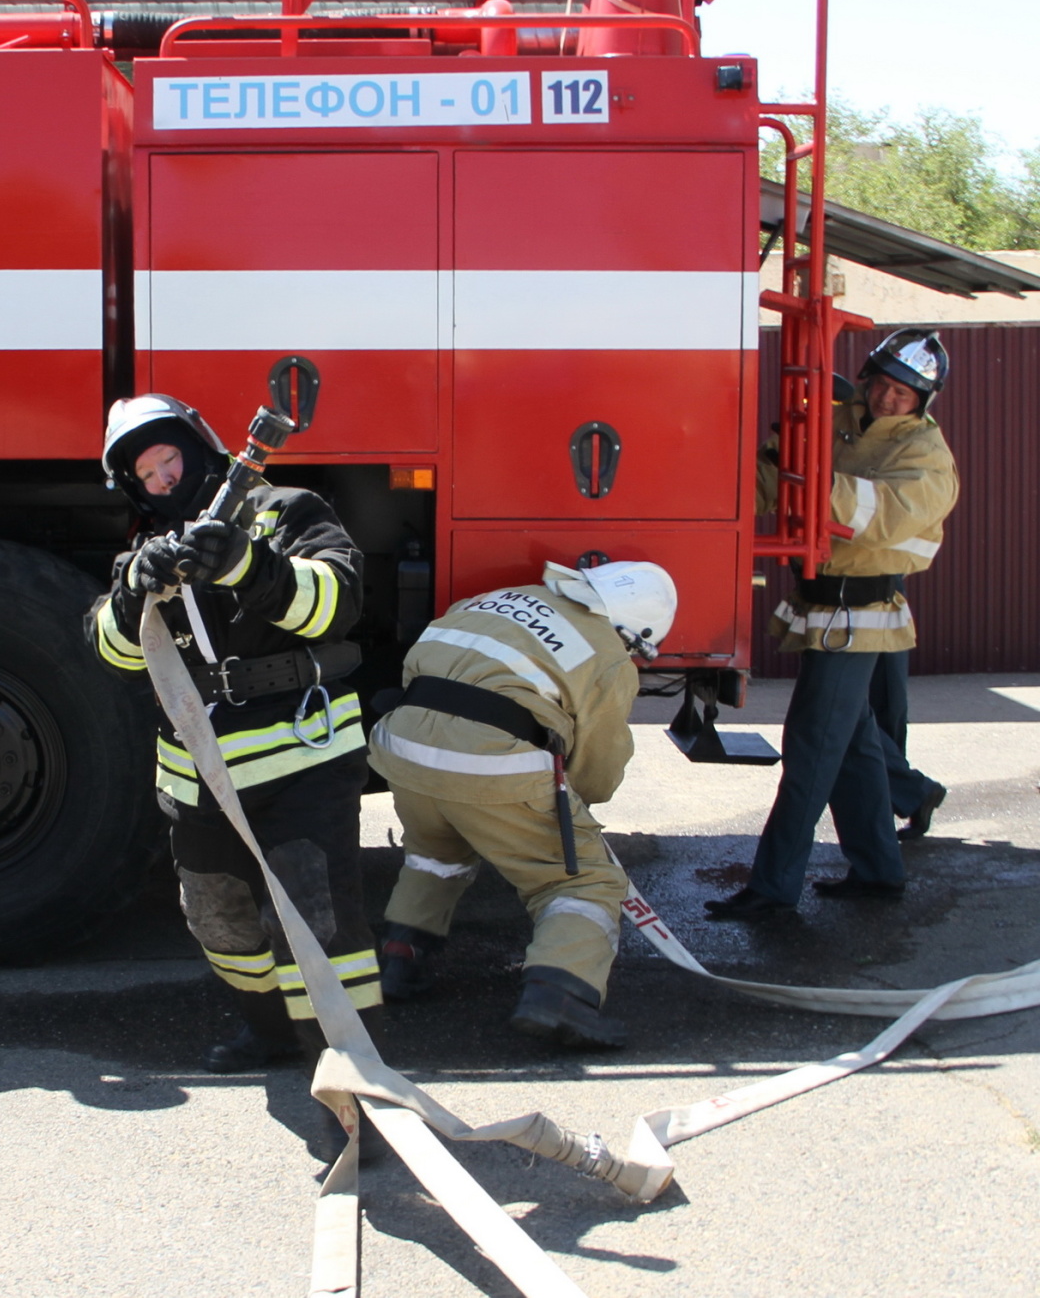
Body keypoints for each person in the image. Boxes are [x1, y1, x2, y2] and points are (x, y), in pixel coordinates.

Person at [86, 394, 381, 1102]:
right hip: (200, 778)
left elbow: (338, 599)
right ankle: (269, 1028)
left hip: (300, 757)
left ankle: (353, 1081)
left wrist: (252, 566)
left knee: (318, 926)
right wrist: (133, 591)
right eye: (146, 472)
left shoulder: (286, 509)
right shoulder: (146, 553)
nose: (162, 478)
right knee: (216, 916)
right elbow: (110, 649)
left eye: (169, 458)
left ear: (199, 447)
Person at [370, 560, 677, 1050]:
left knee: (436, 852)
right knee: (582, 880)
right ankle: (560, 995)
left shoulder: (498, 598)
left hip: (401, 743)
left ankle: (398, 959)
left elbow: (417, 663)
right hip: (489, 759)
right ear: (631, 630)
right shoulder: (606, 651)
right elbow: (598, 769)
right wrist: (565, 808)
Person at [707, 329, 958, 922]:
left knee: (812, 747)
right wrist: (766, 461)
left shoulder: (926, 454)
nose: (888, 399)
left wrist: (807, 473)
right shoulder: (834, 420)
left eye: (905, 393)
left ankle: (773, 887)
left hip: (861, 616)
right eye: (883, 384)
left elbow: (881, 514)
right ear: (868, 374)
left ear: (924, 401)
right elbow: (769, 488)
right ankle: (878, 871)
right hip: (825, 605)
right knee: (852, 749)